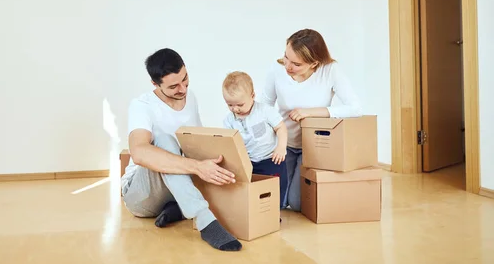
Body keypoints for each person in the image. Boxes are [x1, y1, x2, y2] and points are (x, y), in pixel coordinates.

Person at [121, 48, 242, 252]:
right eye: (174, 86)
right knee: (164, 140)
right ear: (155, 84)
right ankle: (205, 221)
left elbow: (196, 142)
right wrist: (196, 167)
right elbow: (139, 152)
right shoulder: (142, 106)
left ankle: (177, 207)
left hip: (177, 186)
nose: (183, 89)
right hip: (141, 196)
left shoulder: (190, 96)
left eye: (185, 79)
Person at [259, 29, 362, 211]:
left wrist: (311, 112)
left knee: (298, 204)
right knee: (278, 203)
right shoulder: (276, 70)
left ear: (314, 63)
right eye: (286, 57)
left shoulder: (330, 71)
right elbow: (264, 106)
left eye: (296, 64)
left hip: (312, 146)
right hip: (282, 145)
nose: (288, 66)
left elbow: (355, 108)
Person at [221, 72, 288, 207]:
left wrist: (281, 147)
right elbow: (230, 142)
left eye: (239, 104)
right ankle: (256, 212)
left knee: (275, 189)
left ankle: (274, 211)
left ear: (252, 96)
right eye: (230, 105)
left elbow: (281, 128)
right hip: (249, 162)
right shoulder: (229, 120)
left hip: (271, 159)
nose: (235, 109)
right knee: (252, 191)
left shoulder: (264, 111)